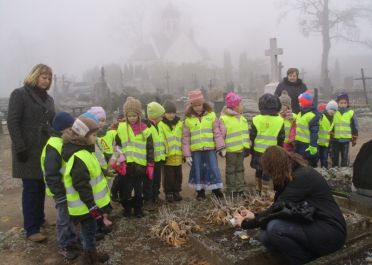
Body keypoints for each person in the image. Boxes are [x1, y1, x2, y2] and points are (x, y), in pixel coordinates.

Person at [234, 146, 346, 265]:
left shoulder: (302, 177)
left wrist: (245, 223)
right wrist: (254, 216)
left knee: (275, 228)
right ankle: (304, 255)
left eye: (269, 171)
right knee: (265, 236)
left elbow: (278, 209)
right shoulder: (293, 172)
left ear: (275, 168)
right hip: (315, 224)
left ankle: (304, 261)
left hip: (331, 232)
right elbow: (280, 207)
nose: (270, 176)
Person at [7, 64, 55, 242]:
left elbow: (52, 122)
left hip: (44, 148)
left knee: (42, 185)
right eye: (44, 77)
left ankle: (40, 218)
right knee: (31, 188)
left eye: (49, 78)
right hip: (26, 149)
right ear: (35, 76)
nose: (47, 81)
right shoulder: (20, 94)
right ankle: (31, 228)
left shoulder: (49, 99)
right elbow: (13, 122)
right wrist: (20, 147)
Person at [61, 114, 111, 264]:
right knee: (88, 232)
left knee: (90, 230)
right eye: (94, 135)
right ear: (83, 136)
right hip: (86, 207)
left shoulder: (85, 152)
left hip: (88, 205)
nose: (96, 138)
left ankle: (91, 254)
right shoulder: (79, 156)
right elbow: (81, 185)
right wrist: (92, 206)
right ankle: (89, 258)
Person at [41, 112, 79, 260]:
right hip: (60, 190)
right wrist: (59, 191)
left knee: (69, 217)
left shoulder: (62, 142)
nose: (73, 133)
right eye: (71, 130)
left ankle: (72, 240)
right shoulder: (54, 146)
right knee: (63, 219)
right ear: (63, 130)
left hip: (66, 188)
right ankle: (64, 244)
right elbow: (51, 173)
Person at [115, 97, 154, 218]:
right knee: (126, 190)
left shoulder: (145, 130)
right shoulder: (121, 128)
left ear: (139, 115)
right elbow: (117, 146)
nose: (132, 118)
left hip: (140, 166)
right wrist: (120, 160)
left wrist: (150, 164)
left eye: (134, 115)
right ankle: (127, 209)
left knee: (138, 189)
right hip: (126, 165)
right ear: (126, 116)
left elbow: (150, 148)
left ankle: (138, 208)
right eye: (129, 116)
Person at [182, 89, 225, 200]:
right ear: (191, 105)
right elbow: (186, 138)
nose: (197, 107)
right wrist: (187, 155)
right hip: (196, 151)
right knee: (198, 169)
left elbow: (217, 132)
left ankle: (216, 190)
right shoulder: (188, 120)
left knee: (213, 168)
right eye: (195, 105)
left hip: (209, 148)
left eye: (199, 104)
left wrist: (221, 147)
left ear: (203, 103)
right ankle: (200, 191)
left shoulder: (211, 115)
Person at [250, 94, 284, 196]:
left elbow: (252, 136)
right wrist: (279, 149)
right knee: (268, 172)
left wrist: (252, 149)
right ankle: (266, 191)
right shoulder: (280, 120)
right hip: (272, 151)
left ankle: (258, 189)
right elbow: (281, 137)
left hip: (258, 151)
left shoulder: (256, 119)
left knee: (259, 170)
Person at [219, 92, 250, 196]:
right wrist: (221, 148)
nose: (242, 106)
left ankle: (240, 188)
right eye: (241, 104)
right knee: (231, 170)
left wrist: (247, 145)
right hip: (230, 150)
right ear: (235, 106)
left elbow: (245, 133)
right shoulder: (224, 119)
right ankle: (231, 189)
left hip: (240, 149)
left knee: (240, 168)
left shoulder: (242, 118)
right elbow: (221, 135)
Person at [158, 101, 184, 202]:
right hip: (167, 156)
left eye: (173, 112)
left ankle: (177, 192)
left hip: (178, 155)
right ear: (164, 113)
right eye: (169, 113)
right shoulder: (161, 125)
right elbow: (161, 140)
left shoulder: (180, 124)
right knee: (168, 177)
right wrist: (163, 154)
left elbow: (182, 138)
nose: (171, 115)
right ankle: (168, 193)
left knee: (178, 176)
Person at [143, 102, 166, 204]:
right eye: (161, 115)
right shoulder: (147, 127)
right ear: (155, 115)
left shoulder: (159, 126)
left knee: (157, 179)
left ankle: (155, 196)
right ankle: (148, 199)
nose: (162, 117)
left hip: (159, 158)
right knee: (149, 180)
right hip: (150, 159)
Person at [331, 93, 358, 167]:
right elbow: (331, 123)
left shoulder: (351, 113)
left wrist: (354, 136)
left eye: (345, 103)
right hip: (335, 138)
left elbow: (355, 125)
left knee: (344, 155)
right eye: (341, 103)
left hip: (345, 139)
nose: (343, 104)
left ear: (347, 103)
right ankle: (335, 167)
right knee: (334, 155)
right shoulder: (334, 112)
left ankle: (344, 168)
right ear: (338, 103)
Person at [294, 90, 320, 168]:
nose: (299, 103)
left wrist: (313, 145)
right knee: (299, 162)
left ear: (304, 103)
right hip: (299, 142)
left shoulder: (312, 115)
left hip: (307, 145)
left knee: (308, 163)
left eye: (300, 102)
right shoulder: (300, 113)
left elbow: (314, 132)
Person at [317, 100, 338, 168]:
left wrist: (332, 134)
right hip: (318, 142)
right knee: (316, 158)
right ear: (327, 108)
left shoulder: (333, 119)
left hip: (326, 144)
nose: (333, 111)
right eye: (331, 109)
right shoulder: (321, 116)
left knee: (325, 159)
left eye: (335, 110)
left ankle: (325, 171)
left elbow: (331, 129)